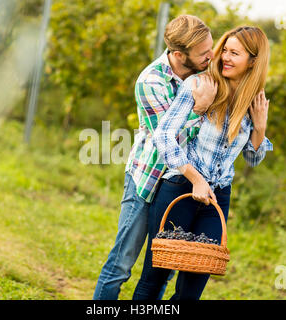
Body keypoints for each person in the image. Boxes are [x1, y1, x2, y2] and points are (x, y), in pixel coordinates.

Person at [132, 26, 274, 300]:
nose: (224, 58)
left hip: (217, 197)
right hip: (180, 187)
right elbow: (163, 135)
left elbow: (252, 159)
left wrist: (260, 127)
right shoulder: (199, 85)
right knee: (155, 276)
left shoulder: (253, 101)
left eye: (235, 53)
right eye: (224, 50)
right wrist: (195, 178)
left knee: (192, 289)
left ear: (254, 61)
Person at [93, 15, 218, 300]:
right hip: (147, 182)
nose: (211, 57)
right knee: (121, 264)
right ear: (178, 55)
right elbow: (168, 138)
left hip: (179, 185)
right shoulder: (150, 81)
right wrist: (199, 109)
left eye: (210, 48)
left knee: (162, 269)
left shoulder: (206, 77)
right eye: (203, 53)